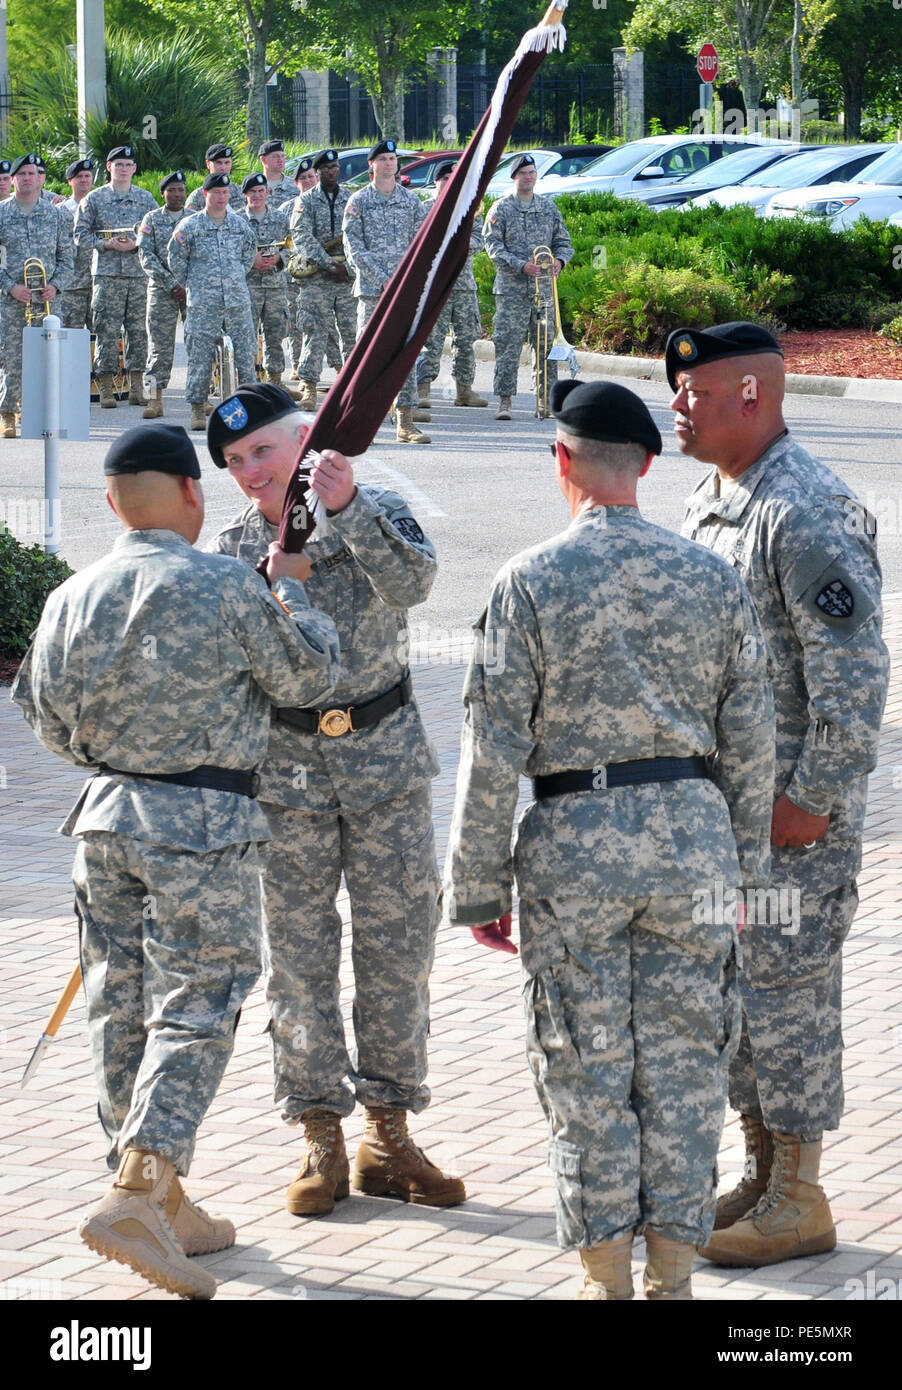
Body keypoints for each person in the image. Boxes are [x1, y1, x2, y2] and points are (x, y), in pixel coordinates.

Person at [443, 379, 776, 1300]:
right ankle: (673, 1275)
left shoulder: (531, 580)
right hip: (694, 843)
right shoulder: (714, 577)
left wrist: (476, 887)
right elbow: (751, 743)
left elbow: (491, 746)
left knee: (584, 1070)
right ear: (650, 466)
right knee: (687, 1067)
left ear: (561, 461)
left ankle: (605, 1283)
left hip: (574, 847)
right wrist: (742, 876)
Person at [11, 423, 340, 1300]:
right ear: (193, 495)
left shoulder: (72, 594)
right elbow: (308, 678)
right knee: (201, 1000)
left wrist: (113, 752)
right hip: (203, 820)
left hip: (106, 817)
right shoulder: (227, 584)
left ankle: (165, 1197)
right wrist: (298, 596)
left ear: (113, 505)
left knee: (118, 1006)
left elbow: (39, 716)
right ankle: (140, 1187)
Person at [205, 383, 465, 1217]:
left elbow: (416, 583)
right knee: (301, 961)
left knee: (398, 952)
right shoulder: (235, 545)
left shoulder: (372, 505)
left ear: (305, 440)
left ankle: (388, 1132)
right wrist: (276, 586)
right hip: (285, 778)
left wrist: (345, 508)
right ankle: (320, 1132)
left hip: (384, 765)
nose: (250, 472)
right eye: (234, 462)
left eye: (263, 452)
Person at [668, 321, 890, 1267]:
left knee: (791, 996)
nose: (677, 406)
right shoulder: (712, 502)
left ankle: (801, 1195)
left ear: (753, 396)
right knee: (744, 995)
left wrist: (815, 799)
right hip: (727, 818)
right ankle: (762, 1173)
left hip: (790, 822)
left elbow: (854, 677)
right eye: (678, 391)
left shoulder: (805, 511)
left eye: (697, 393)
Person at [342, 139, 430, 444]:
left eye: (393, 158)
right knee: (369, 354)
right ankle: (359, 419)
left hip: (403, 292)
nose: (391, 163)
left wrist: (407, 280)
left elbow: (422, 245)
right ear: (373, 165)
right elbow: (353, 246)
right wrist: (381, 278)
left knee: (404, 353)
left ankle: (405, 421)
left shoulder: (410, 201)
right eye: (385, 158)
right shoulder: (358, 202)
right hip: (371, 290)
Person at [484, 152, 574, 420]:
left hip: (543, 291)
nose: (529, 177)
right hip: (511, 290)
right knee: (508, 345)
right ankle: (505, 402)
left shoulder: (548, 208)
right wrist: (520, 265)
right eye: (523, 173)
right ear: (514, 177)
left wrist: (560, 261)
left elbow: (564, 242)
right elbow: (492, 246)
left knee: (546, 347)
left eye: (532, 173)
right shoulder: (500, 208)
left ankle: (546, 401)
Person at [167, 172, 257, 432]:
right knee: (200, 355)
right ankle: (197, 408)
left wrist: (234, 278)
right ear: (205, 194)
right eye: (216, 193)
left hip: (237, 301)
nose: (221, 197)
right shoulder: (190, 226)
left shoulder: (240, 225)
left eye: (225, 193)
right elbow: (176, 258)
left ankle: (248, 407)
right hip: (203, 303)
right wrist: (193, 283)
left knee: (244, 355)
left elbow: (248, 256)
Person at [74, 144, 157, 408]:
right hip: (106, 275)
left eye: (128, 165)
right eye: (118, 165)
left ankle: (136, 388)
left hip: (137, 275)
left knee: (138, 332)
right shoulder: (94, 199)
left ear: (134, 168)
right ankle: (107, 388)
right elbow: (80, 235)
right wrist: (106, 245)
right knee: (106, 332)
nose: (123, 169)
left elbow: (156, 232)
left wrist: (136, 244)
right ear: (109, 168)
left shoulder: (145, 200)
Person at [0, 153, 74, 438]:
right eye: (22, 174)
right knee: (12, 356)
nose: (28, 178)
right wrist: (9, 286)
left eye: (33, 173)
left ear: (39, 178)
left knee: (49, 356)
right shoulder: (2, 213)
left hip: (49, 299)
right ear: (13, 179)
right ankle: (7, 412)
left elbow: (68, 259)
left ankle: (39, 410)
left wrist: (56, 284)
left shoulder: (57, 215)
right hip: (11, 300)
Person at [415, 160, 487, 410]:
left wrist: (458, 247)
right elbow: (417, 242)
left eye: (453, 178)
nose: (449, 182)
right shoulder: (423, 209)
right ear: (436, 182)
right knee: (430, 340)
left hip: (463, 285)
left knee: (466, 340)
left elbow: (479, 240)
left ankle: (464, 390)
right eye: (444, 178)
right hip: (433, 285)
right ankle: (422, 389)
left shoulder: (470, 208)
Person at [288, 147, 356, 411]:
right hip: (317, 278)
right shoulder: (305, 201)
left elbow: (358, 236)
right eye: (326, 169)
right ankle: (310, 388)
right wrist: (328, 264)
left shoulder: (350, 199)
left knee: (351, 333)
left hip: (346, 278)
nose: (332, 172)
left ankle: (352, 387)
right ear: (317, 173)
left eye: (335, 168)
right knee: (314, 332)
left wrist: (347, 269)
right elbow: (301, 236)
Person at [240, 172, 297, 395]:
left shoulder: (281, 219)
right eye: (252, 192)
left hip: (275, 285)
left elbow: (292, 248)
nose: (257, 195)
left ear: (268, 193)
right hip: (248, 287)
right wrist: (250, 261)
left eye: (261, 191)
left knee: (276, 335)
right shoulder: (236, 219)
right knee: (247, 336)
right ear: (245, 194)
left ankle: (275, 381)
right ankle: (248, 381)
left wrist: (279, 258)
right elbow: (229, 252)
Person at [137, 171, 189, 419]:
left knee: (200, 345)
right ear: (163, 193)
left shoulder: (194, 218)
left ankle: (200, 398)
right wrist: (171, 283)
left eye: (181, 189)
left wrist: (185, 284)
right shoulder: (152, 219)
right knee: (157, 347)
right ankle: (153, 401)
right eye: (172, 190)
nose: (178, 194)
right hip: (161, 290)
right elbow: (146, 256)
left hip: (191, 290)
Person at [59, 158, 95, 331]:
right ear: (70, 181)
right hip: (72, 285)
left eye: (87, 176)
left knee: (99, 336)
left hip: (98, 282)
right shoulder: (60, 211)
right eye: (79, 176)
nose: (84, 180)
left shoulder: (98, 206)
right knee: (71, 335)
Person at [185, 143, 244, 212]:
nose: (223, 168)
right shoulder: (197, 196)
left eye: (227, 163)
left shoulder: (241, 192)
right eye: (218, 163)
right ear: (208, 164)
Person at [259, 138, 298, 208]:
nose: (281, 160)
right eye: (276, 156)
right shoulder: (254, 187)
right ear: (263, 160)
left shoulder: (295, 186)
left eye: (283, 156)